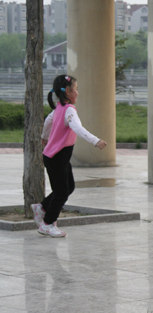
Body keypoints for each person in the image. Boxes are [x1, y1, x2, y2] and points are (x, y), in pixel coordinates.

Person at [31, 75, 107, 238]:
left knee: (68, 187)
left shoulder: (59, 107)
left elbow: (48, 121)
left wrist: (45, 136)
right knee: (62, 191)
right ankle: (48, 224)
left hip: (57, 157)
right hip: (57, 157)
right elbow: (78, 128)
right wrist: (96, 141)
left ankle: (42, 208)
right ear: (68, 92)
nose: (78, 93)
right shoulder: (69, 110)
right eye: (76, 89)